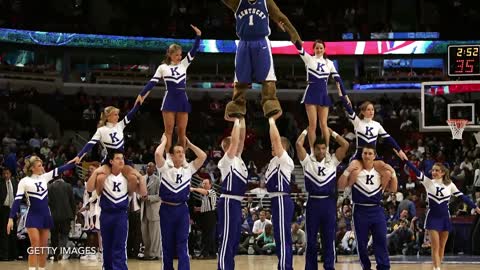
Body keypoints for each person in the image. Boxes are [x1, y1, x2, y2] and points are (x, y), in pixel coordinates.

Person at [221, 0, 301, 118]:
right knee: (241, 73)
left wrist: (295, 36)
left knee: (267, 73)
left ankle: (269, 100)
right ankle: (238, 102)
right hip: (244, 42)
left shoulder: (266, 2)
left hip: (261, 41)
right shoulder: (238, 2)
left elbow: (280, 17)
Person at [399, 155, 480, 270]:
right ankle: (437, 268)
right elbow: (415, 170)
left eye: (437, 170)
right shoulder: (428, 182)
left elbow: (463, 197)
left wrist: (475, 207)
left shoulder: (450, 185)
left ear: (443, 173)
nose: (434, 172)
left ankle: (437, 266)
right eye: (433, 170)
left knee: (442, 246)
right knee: (435, 246)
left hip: (445, 218)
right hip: (432, 217)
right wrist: (405, 159)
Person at [7, 155, 77, 270]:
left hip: (45, 216)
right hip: (33, 215)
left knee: (43, 247)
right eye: (39, 165)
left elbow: (61, 169)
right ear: (32, 168)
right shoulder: (24, 181)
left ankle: (42, 268)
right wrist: (10, 218)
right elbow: (17, 200)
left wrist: (74, 162)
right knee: (35, 245)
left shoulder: (45, 177)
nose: (42, 167)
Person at [139, 25, 202, 152]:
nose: (179, 57)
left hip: (182, 98)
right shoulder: (162, 67)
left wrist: (198, 36)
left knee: (182, 132)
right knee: (168, 131)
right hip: (170, 99)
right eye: (177, 55)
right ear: (170, 54)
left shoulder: (184, 64)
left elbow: (194, 50)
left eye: (180, 55)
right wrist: (142, 95)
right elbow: (152, 82)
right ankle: (168, 158)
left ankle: (181, 158)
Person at [296, 127, 349, 270]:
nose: (321, 151)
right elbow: (298, 144)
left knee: (329, 239)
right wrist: (307, 130)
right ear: (314, 149)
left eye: (323, 148)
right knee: (311, 240)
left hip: (328, 203)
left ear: (326, 149)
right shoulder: (308, 161)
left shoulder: (332, 161)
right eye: (318, 148)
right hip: (313, 202)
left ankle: (329, 267)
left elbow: (345, 145)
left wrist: (331, 132)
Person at [338, 145, 397, 270]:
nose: (367, 156)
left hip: (377, 209)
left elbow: (393, 189)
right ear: (362, 154)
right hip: (360, 209)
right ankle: (366, 267)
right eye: (365, 153)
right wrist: (347, 170)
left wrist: (394, 173)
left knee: (381, 240)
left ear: (374, 156)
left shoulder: (382, 173)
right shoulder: (355, 171)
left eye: (370, 153)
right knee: (361, 243)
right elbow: (340, 186)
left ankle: (384, 267)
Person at [74, 98, 147, 198]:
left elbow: (132, 113)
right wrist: (79, 156)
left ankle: (128, 199)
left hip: (122, 160)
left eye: (118, 114)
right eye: (115, 114)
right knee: (100, 179)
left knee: (133, 179)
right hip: (109, 161)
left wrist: (139, 102)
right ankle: (101, 198)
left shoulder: (120, 125)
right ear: (108, 117)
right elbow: (90, 143)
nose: (118, 117)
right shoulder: (101, 130)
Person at [154, 134, 207, 270]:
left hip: (182, 210)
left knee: (183, 244)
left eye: (183, 152)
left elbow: (203, 156)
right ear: (171, 156)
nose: (181, 154)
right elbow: (158, 154)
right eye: (178, 152)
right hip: (166, 209)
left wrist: (189, 145)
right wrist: (165, 141)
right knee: (167, 244)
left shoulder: (188, 169)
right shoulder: (165, 168)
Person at [293, 39, 350, 162]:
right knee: (312, 125)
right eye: (317, 48)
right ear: (313, 49)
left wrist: (345, 95)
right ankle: (313, 153)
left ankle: (327, 151)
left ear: (324, 50)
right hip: (311, 92)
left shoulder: (329, 63)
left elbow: (338, 80)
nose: (319, 50)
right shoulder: (308, 58)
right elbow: (298, 46)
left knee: (323, 124)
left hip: (323, 93)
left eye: (321, 48)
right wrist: (290, 31)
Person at [340, 96, 405, 188]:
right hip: (359, 155)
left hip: (373, 156)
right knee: (354, 172)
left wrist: (399, 150)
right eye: (368, 110)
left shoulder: (377, 125)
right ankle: (347, 191)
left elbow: (389, 138)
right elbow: (348, 108)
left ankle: (380, 192)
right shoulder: (357, 122)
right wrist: (342, 95)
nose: (371, 112)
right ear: (362, 112)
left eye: (372, 110)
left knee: (387, 172)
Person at [216, 117, 248, 269]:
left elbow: (241, 138)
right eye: (232, 142)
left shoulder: (238, 158)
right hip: (228, 201)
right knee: (227, 238)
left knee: (235, 239)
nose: (238, 144)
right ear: (227, 146)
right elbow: (236, 141)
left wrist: (242, 117)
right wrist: (235, 120)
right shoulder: (226, 160)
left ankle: (229, 266)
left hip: (236, 203)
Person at [264, 112, 295, 270]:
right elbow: (273, 140)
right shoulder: (273, 161)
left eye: (275, 146)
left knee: (283, 236)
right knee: (279, 235)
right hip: (275, 200)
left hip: (282, 199)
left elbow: (275, 140)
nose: (272, 147)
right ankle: (283, 265)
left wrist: (272, 122)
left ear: (282, 147)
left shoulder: (284, 159)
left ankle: (285, 267)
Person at [48, 173, 76, 261]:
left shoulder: (49, 187)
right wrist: (73, 214)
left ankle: (56, 254)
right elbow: (72, 201)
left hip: (53, 216)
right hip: (66, 215)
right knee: (64, 235)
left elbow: (48, 202)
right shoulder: (68, 186)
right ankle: (61, 250)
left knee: (54, 236)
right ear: (61, 176)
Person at [191, 178, 218, 259]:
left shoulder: (212, 192)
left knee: (207, 235)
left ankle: (206, 254)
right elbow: (206, 206)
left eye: (206, 183)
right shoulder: (205, 195)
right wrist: (197, 209)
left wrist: (194, 188)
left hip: (210, 215)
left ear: (210, 185)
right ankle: (209, 253)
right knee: (206, 235)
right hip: (205, 215)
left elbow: (204, 192)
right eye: (203, 183)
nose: (204, 185)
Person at [140, 162, 161, 260]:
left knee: (154, 234)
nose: (149, 168)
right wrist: (140, 197)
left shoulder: (157, 180)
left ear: (154, 169)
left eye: (151, 166)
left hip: (153, 209)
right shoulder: (142, 179)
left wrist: (148, 197)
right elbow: (138, 191)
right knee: (145, 234)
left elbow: (159, 196)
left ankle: (155, 253)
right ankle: (147, 253)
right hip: (143, 209)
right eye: (147, 166)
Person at [0, 167, 17, 261]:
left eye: (7, 173)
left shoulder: (15, 182)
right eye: (4, 173)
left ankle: (12, 255)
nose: (6, 175)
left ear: (10, 174)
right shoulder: (1, 183)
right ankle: (4, 255)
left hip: (13, 209)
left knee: (13, 232)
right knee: (4, 233)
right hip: (3, 210)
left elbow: (18, 196)